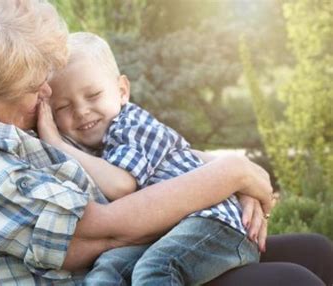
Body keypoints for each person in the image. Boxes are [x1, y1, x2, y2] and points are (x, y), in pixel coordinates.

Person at [0, 0, 333, 285]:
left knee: (315, 251)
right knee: (291, 280)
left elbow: (153, 157)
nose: (48, 96)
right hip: (104, 271)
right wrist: (231, 173)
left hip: (128, 259)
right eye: (36, 87)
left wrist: (227, 182)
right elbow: (104, 233)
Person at [40, 32, 259, 285]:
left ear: (122, 91)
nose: (81, 111)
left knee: (155, 270)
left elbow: (121, 186)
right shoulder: (89, 145)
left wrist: (55, 142)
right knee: (106, 271)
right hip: (169, 233)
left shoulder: (131, 125)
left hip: (215, 225)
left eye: (93, 96)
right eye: (63, 107)